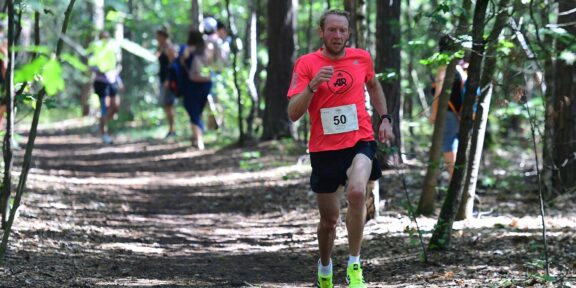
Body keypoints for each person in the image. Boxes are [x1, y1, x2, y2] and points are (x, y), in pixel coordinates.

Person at [286, 9, 394, 288]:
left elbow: (374, 85)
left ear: (349, 33)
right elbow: (293, 113)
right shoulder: (307, 63)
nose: (337, 35)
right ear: (321, 33)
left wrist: (385, 119)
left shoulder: (361, 58)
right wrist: (312, 86)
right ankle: (325, 266)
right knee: (329, 221)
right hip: (324, 149)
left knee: (357, 192)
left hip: (361, 139)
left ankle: (354, 265)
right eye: (331, 30)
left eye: (342, 31)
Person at [428, 36, 468, 178]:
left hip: (449, 115)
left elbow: (438, 94)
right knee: (454, 146)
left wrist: (433, 114)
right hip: (460, 115)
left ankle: (454, 181)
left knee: (448, 147)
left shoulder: (444, 68)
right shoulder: (459, 68)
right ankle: (458, 180)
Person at [87, 31, 123, 144]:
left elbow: (115, 67)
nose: (105, 40)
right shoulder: (96, 50)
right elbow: (91, 66)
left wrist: (119, 81)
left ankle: (102, 123)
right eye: (103, 38)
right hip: (101, 82)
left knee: (115, 107)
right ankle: (104, 134)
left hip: (112, 82)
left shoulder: (111, 50)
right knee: (105, 107)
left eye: (107, 38)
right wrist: (100, 69)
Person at [180, 29, 213, 150]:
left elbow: (182, 63)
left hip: (191, 84)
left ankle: (199, 140)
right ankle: (196, 137)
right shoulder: (206, 50)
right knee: (198, 111)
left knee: (193, 111)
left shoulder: (187, 49)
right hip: (206, 83)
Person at [155, 27, 178, 138]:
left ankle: (172, 130)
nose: (157, 39)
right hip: (163, 79)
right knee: (166, 105)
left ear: (163, 36)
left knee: (168, 105)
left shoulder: (170, 48)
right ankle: (171, 129)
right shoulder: (162, 48)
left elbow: (173, 65)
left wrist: (168, 80)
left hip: (168, 81)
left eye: (158, 36)